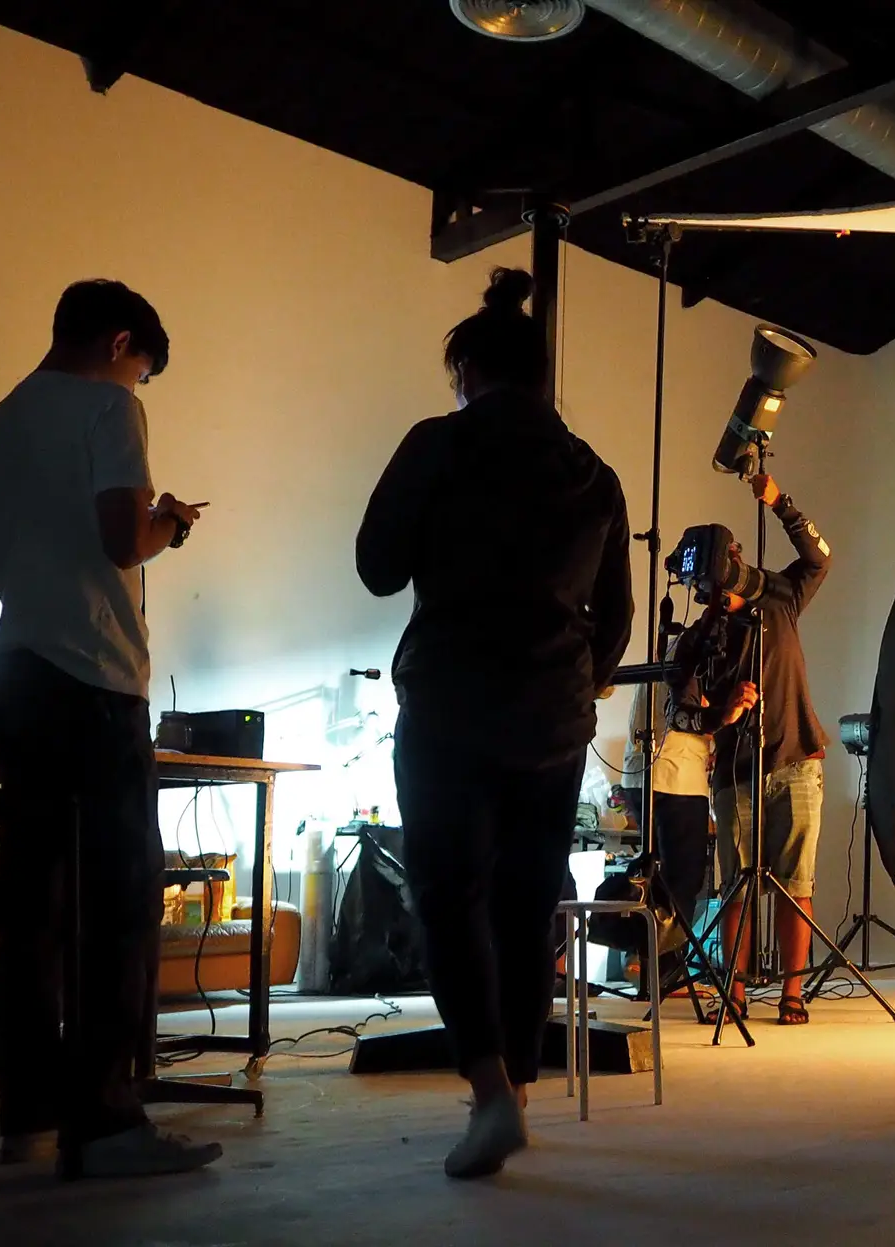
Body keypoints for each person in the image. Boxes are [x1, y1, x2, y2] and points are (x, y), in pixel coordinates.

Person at [357, 266, 633, 1180]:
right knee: (526, 904)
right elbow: (616, 616)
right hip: (554, 720)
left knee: (448, 896)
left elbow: (376, 566)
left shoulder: (438, 444)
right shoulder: (595, 474)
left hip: (450, 708)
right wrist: (576, 684)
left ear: (468, 371)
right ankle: (514, 1086)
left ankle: (489, 1094)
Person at [0, 279, 218, 1176]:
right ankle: (105, 1124)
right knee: (121, 903)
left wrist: (42, 542)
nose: (138, 384)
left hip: (18, 683)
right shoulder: (110, 408)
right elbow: (123, 541)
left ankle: (27, 1118)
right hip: (95, 683)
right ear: (118, 344)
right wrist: (169, 522)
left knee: (33, 907)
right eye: (142, 368)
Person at [672, 473, 831, 1025]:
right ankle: (735, 992)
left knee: (795, 884)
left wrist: (780, 503)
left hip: (796, 759)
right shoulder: (700, 638)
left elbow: (819, 558)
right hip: (734, 773)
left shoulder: (780, 600)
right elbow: (679, 712)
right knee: (736, 886)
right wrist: (722, 714)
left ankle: (792, 994)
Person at [624, 631, 713, 985]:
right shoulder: (697, 655)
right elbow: (694, 715)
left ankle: (644, 964)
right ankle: (667, 973)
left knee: (652, 877)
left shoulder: (665, 651)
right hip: (676, 777)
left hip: (639, 774)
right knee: (682, 881)